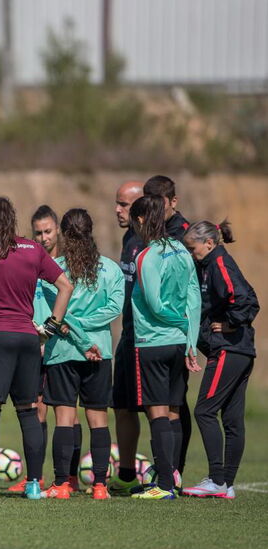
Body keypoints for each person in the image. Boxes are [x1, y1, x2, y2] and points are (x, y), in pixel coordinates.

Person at [0, 196, 73, 500]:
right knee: (29, 412)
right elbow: (66, 286)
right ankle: (34, 485)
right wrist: (49, 327)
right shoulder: (33, 249)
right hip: (27, 338)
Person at [40, 209, 124, 500]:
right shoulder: (111, 269)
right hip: (98, 353)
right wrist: (89, 336)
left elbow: (53, 315)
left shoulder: (53, 269)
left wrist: (73, 326)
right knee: (98, 418)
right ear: (91, 231)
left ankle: (62, 484)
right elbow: (115, 308)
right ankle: (100, 486)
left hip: (63, 350)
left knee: (64, 418)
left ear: (63, 233)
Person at [128, 195, 201, 500]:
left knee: (157, 413)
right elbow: (195, 298)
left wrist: (176, 322)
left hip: (153, 342)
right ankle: (172, 478)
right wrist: (190, 339)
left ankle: (164, 486)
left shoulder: (146, 256)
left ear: (142, 220)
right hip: (178, 345)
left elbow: (156, 305)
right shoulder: (182, 250)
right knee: (173, 412)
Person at [183, 221, 258, 499]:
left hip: (230, 350)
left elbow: (248, 301)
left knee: (203, 411)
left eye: (193, 248)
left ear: (209, 244)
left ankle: (216, 479)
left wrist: (228, 323)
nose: (192, 254)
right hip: (240, 351)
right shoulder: (209, 264)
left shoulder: (220, 264)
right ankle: (227, 485)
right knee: (232, 419)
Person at [143, 175, 193, 477]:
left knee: (173, 405)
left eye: (159, 203)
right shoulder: (144, 233)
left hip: (174, 330)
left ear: (173, 202)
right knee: (166, 404)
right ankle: (168, 469)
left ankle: (173, 469)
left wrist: (190, 325)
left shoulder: (183, 236)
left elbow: (193, 288)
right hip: (158, 331)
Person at [12, 204, 63, 493]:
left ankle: (63, 477)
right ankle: (36, 476)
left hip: (61, 348)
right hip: (34, 347)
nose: (43, 238)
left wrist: (52, 331)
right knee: (37, 411)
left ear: (57, 231)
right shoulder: (29, 261)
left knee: (66, 412)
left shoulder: (64, 267)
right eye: (38, 233)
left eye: (48, 231)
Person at [107, 180, 146, 494]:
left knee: (164, 408)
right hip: (128, 335)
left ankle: (169, 474)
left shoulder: (153, 240)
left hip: (152, 338)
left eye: (124, 204)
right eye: (117, 203)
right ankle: (127, 473)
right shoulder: (128, 238)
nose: (118, 210)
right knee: (122, 405)